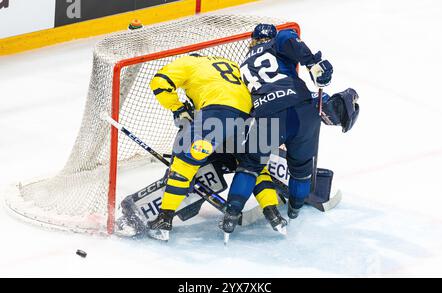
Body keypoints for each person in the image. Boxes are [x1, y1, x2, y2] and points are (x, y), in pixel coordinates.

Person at [221, 24, 358, 234]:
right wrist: (313, 63)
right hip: (302, 112)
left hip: (268, 116)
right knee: (301, 168)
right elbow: (287, 36)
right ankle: (294, 211)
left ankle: (231, 215)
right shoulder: (278, 42)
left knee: (249, 166)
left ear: (253, 39)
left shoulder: (242, 66)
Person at [147, 54, 287, 240]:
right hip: (249, 116)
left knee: (185, 163)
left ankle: (164, 219)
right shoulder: (232, 64)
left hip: (216, 113)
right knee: (252, 166)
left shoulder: (190, 62)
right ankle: (273, 213)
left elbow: (159, 82)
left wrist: (177, 108)